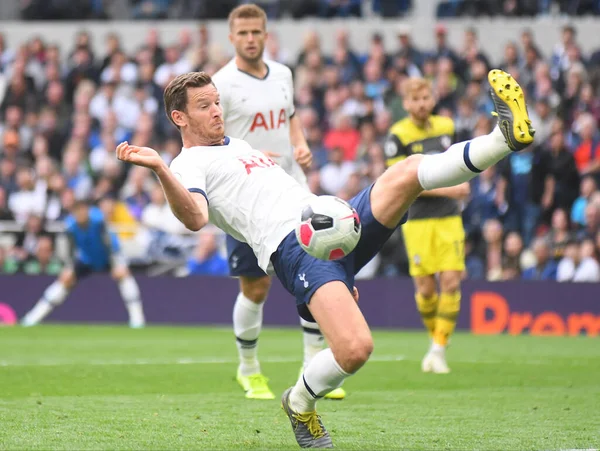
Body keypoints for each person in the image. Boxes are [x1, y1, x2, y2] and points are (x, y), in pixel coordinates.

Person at [116, 69, 534, 448]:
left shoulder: (238, 144)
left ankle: (504, 138)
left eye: (217, 102)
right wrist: (158, 167)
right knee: (355, 349)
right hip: (297, 248)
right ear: (179, 118)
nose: (216, 112)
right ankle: (299, 404)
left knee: (407, 172)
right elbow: (195, 217)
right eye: (204, 106)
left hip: (334, 221)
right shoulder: (187, 163)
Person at [210, 4, 344, 401]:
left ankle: (313, 363)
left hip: (292, 190)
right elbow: (213, 139)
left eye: (257, 32)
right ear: (231, 37)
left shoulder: (283, 73)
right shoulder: (221, 84)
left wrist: (300, 146)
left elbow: (291, 116)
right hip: (246, 200)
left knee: (315, 275)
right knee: (256, 287)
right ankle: (248, 368)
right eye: (243, 33)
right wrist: (248, 155)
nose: (251, 39)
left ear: (266, 35)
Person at [385, 77, 470, 374]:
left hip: (448, 217)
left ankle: (438, 349)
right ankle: (436, 343)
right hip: (417, 219)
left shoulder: (447, 126)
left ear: (432, 99)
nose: (421, 104)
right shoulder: (397, 135)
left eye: (426, 98)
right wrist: (453, 189)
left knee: (450, 281)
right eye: (415, 99)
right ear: (406, 103)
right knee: (426, 288)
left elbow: (459, 163)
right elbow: (403, 181)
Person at [21, 201, 146, 328]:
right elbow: (70, 248)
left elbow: (109, 243)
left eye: (84, 210)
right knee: (66, 278)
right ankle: (32, 318)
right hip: (87, 259)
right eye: (78, 212)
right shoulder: (70, 225)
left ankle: (137, 320)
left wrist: (115, 263)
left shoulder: (98, 221)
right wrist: (69, 266)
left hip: (107, 257)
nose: (81, 214)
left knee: (123, 274)